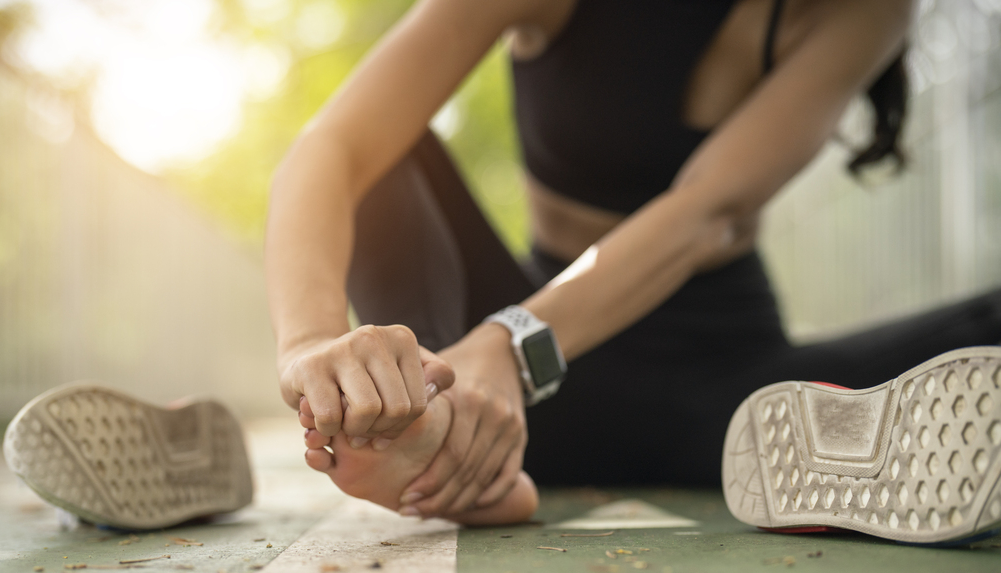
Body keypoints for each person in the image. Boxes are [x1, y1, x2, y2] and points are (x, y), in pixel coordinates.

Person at [264, 0, 1001, 528]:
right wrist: (309, 346)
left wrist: (513, 345)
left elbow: (706, 211)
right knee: (386, 161)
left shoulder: (865, 11)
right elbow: (334, 147)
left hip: (718, 384)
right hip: (485, 370)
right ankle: (441, 430)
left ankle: (462, 456)